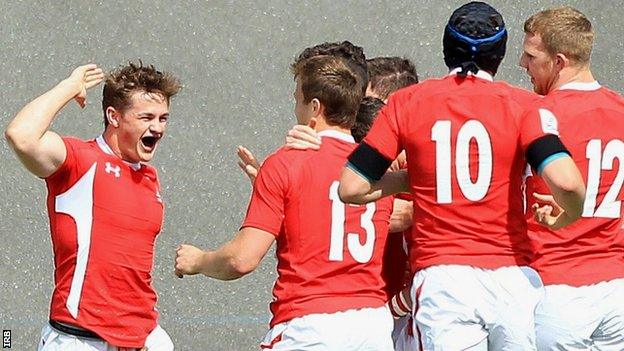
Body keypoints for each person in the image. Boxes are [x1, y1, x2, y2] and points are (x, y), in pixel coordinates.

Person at [337, 2, 586, 350]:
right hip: (510, 279)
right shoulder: (526, 106)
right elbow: (569, 182)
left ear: (446, 49)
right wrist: (568, 215)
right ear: (498, 55)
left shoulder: (408, 102)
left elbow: (352, 187)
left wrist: (418, 178)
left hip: (444, 279)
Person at [174, 55, 396, 350]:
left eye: (297, 100)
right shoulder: (374, 171)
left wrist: (198, 261)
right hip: (372, 327)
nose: (295, 109)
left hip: (310, 326)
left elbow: (241, 260)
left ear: (314, 108)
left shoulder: (285, 164)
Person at [5, 62, 180, 350]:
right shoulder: (80, 160)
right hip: (77, 338)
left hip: (138, 337)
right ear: (114, 116)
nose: (157, 128)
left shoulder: (149, 179)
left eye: (163, 118)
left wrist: (143, 333)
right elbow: (21, 136)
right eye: (146, 117)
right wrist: (69, 87)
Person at [520, 6, 624, 349]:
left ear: (559, 61)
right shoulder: (620, 110)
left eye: (531, 56)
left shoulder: (537, 115)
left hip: (555, 289)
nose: (523, 65)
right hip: (616, 287)